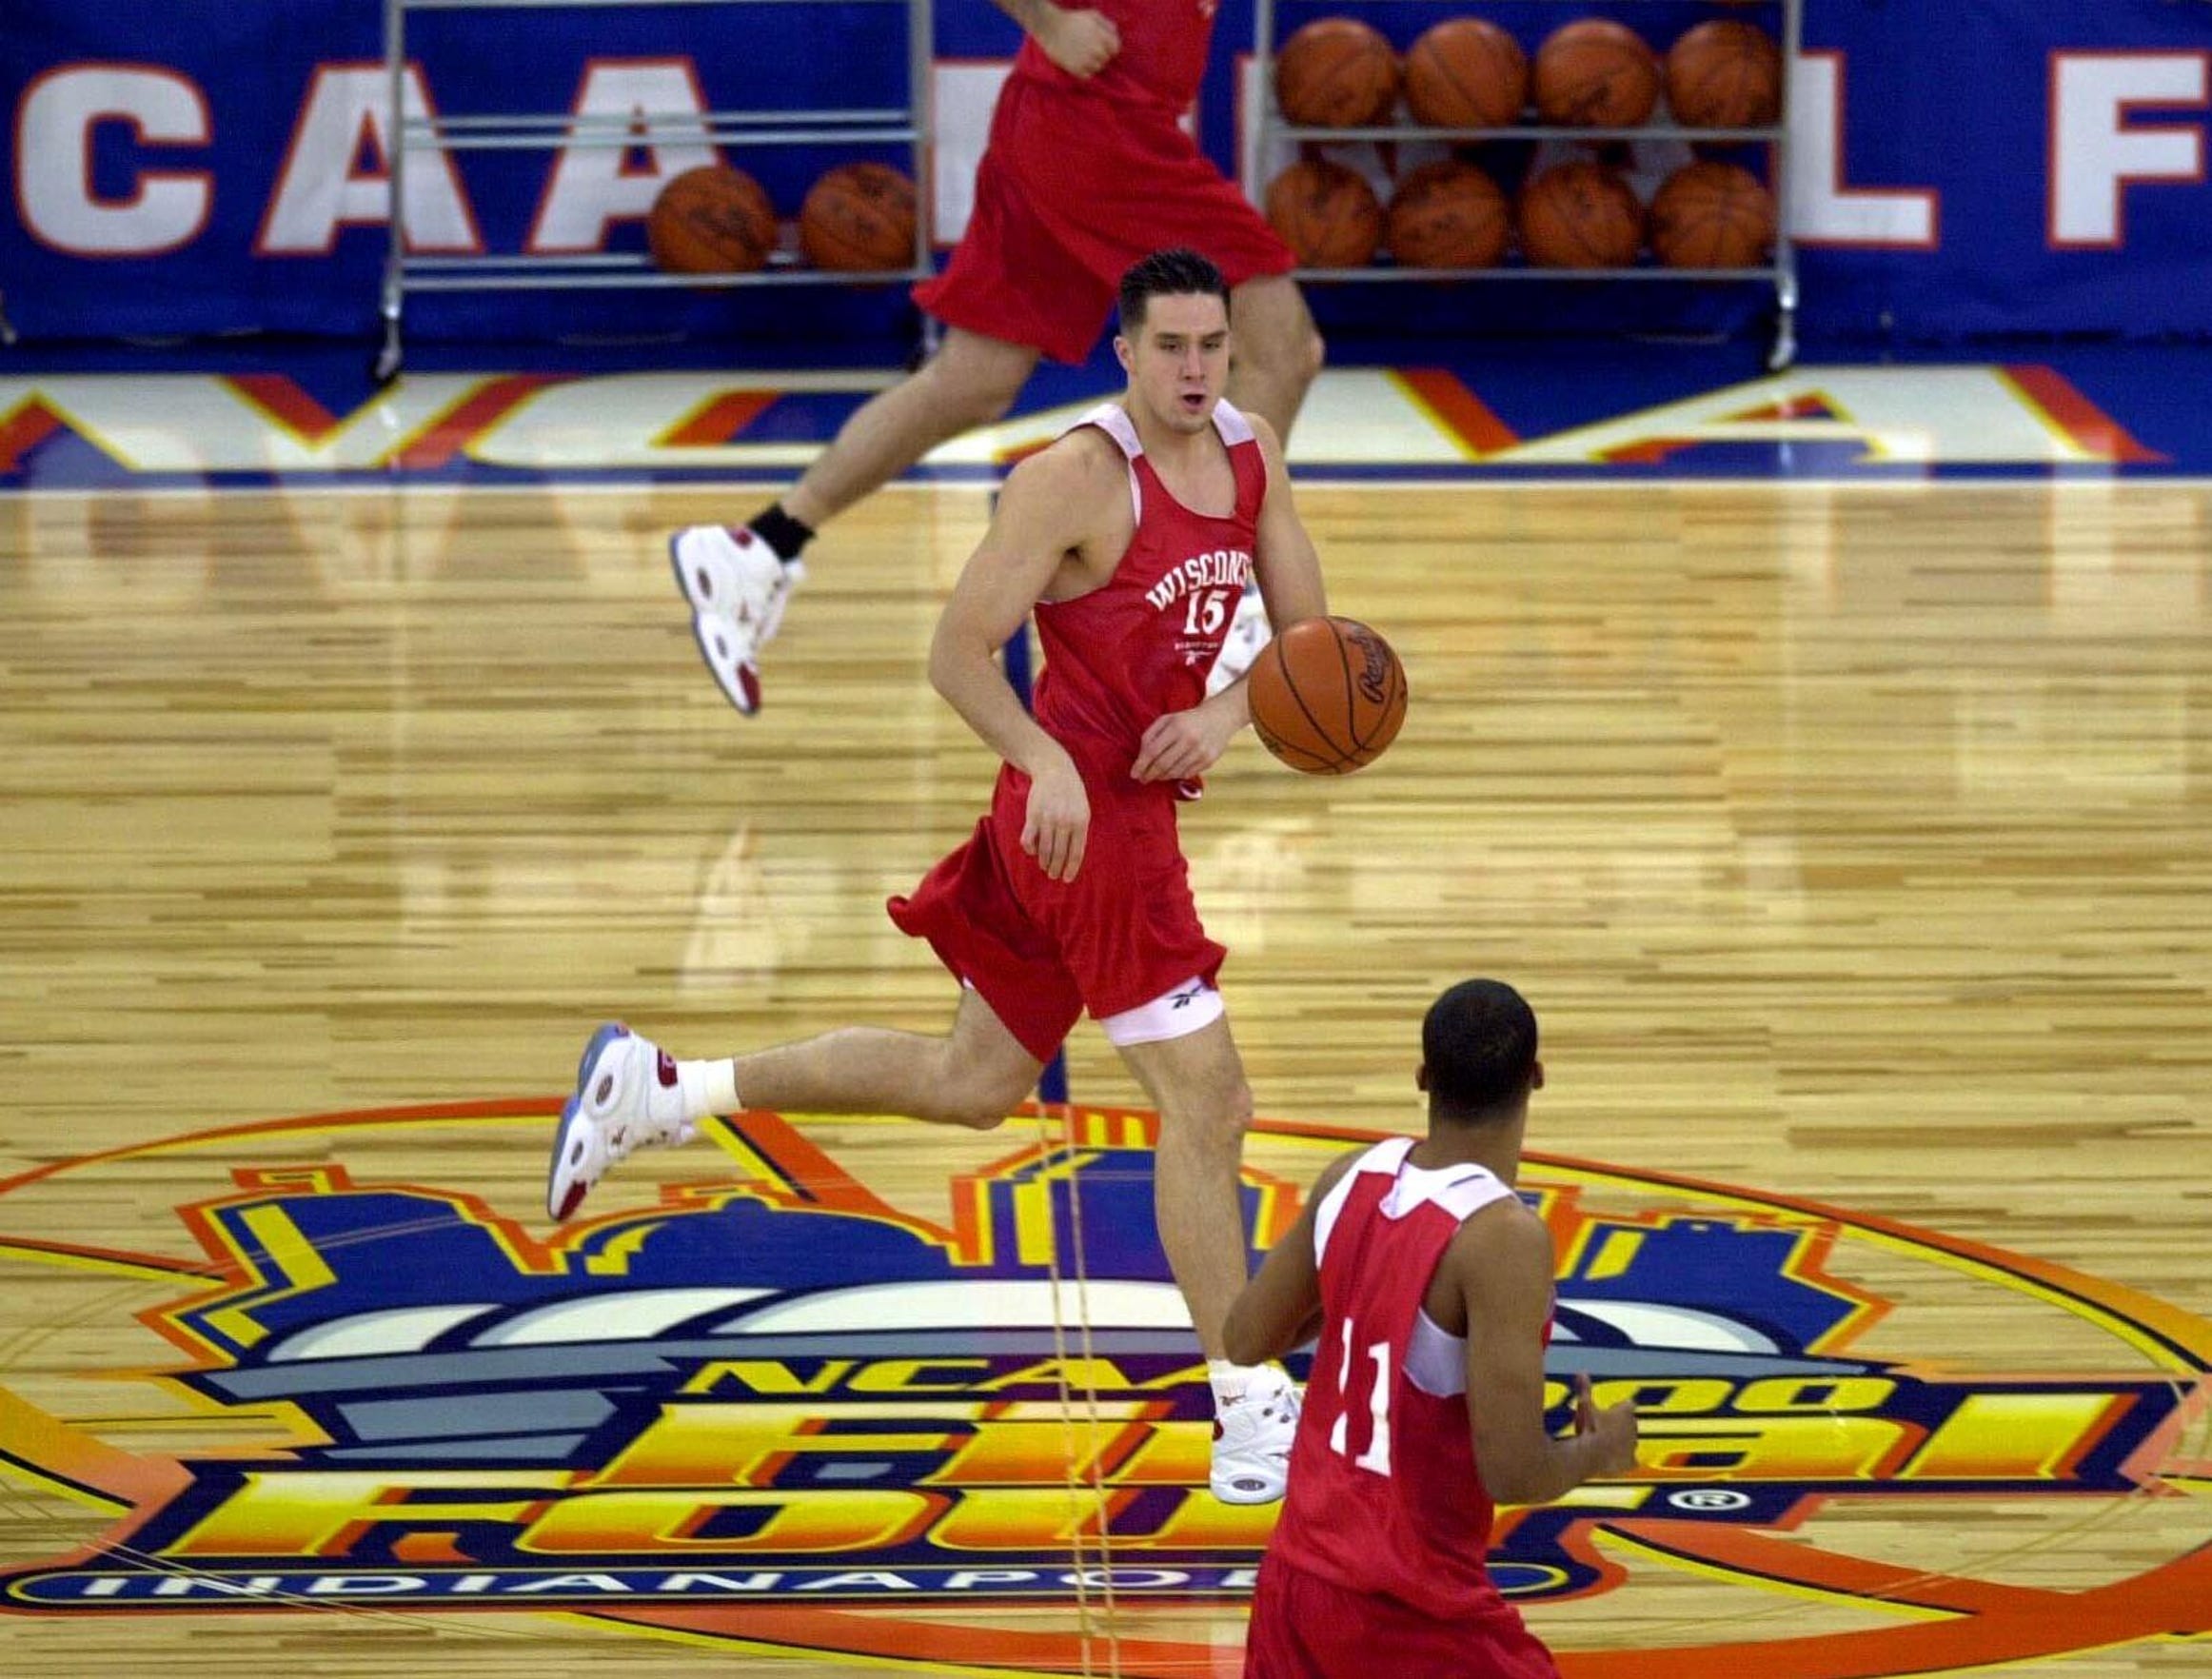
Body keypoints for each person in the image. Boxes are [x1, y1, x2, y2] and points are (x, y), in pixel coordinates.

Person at [552, 249, 1327, 1504]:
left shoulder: (1250, 460)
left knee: (973, 1084)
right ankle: (1246, 1404)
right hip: (1088, 832)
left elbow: (1306, 645)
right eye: (1168, 348)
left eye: (1212, 346)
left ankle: (665, 1092)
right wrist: (1043, 754)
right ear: (1122, 354)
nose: (1194, 370)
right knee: (1212, 1105)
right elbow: (957, 653)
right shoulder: (1070, 479)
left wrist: (1234, 712)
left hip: (1084, 823)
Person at [668, 0, 1325, 716]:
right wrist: (1048, 23)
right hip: (1098, 130)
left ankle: (759, 546)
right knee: (1283, 347)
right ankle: (1228, 598)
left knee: (972, 381)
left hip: (1060, 127)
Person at [1223, 978, 1641, 1676]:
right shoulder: (1503, 1238)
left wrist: (1355, 1291)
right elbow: (1512, 1470)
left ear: (1424, 1078)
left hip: (1294, 1587)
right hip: (1407, 1609)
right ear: (1535, 1078)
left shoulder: (1350, 1176)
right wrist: (1598, 1451)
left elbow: (1245, 1339)